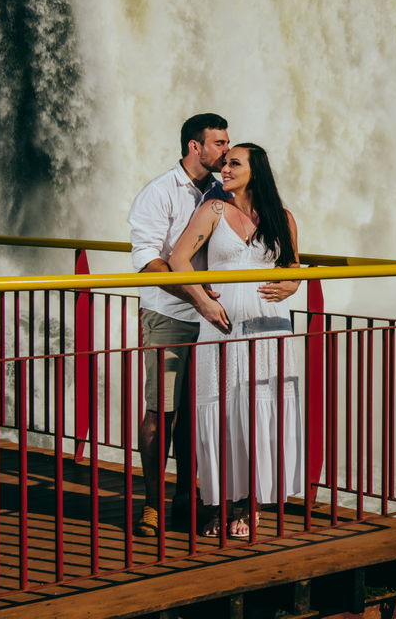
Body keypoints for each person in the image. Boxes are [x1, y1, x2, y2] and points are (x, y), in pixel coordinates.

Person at [169, 143, 304, 538]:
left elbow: (294, 266)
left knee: (261, 411)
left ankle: (250, 506)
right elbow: (179, 260)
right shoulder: (213, 211)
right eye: (224, 163)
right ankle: (219, 505)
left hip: (269, 326)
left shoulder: (282, 218)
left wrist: (292, 286)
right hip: (221, 326)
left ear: (255, 171)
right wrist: (202, 302)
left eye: (233, 163)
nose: (224, 169)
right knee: (224, 413)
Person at [127, 113, 231, 537]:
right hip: (169, 314)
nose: (227, 150)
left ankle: (187, 501)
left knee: (196, 412)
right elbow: (149, 263)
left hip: (211, 315)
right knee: (162, 411)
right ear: (195, 146)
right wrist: (199, 299)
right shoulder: (159, 192)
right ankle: (151, 505)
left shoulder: (222, 191)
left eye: (228, 143)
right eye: (219, 142)